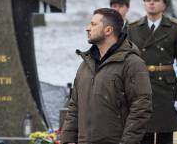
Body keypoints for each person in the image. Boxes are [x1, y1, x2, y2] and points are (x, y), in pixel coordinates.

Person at [61, 8, 152, 144]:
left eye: (93, 24)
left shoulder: (132, 63)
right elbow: (74, 106)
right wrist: (68, 139)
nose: (87, 28)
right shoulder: (85, 65)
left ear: (108, 30)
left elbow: (141, 108)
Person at [127, 0, 177, 144]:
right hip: (141, 89)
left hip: (166, 92)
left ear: (164, 4)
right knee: (143, 136)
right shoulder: (133, 28)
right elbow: (126, 63)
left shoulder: (175, 28)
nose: (151, 3)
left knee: (164, 138)